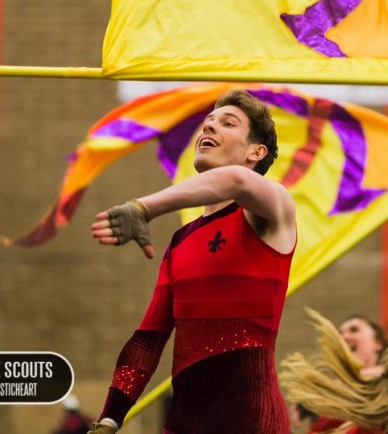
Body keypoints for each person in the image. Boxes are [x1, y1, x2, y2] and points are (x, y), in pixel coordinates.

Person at [88, 90, 297, 434]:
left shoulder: (273, 209)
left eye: (227, 124)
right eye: (207, 123)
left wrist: (145, 208)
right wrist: (110, 418)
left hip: (253, 423)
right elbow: (148, 340)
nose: (209, 128)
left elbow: (237, 181)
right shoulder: (181, 242)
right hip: (183, 424)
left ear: (256, 152)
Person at [299, 315, 388, 433]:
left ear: (378, 342)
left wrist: (319, 391)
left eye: (354, 330)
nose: (344, 337)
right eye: (340, 334)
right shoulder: (326, 404)